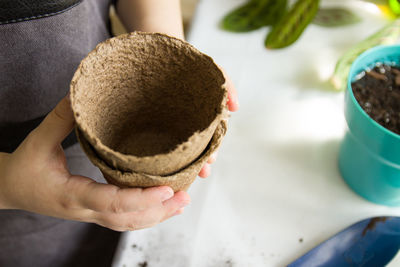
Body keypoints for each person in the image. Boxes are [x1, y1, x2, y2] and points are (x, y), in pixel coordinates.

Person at [0, 0, 239, 266]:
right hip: (15, 209)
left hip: (92, 145)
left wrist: (163, 45)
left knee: (117, 247)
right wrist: (9, 185)